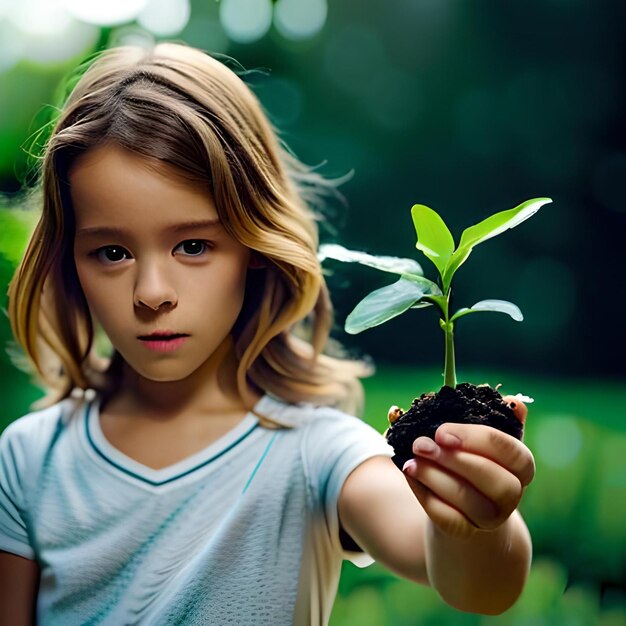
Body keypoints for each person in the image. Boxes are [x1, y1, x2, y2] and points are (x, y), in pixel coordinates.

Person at [0, 42, 535, 625]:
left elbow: (474, 585)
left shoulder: (317, 452)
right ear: (67, 260)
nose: (152, 291)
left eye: (193, 245)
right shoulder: (29, 459)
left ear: (254, 244)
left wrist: (480, 526)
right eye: (111, 251)